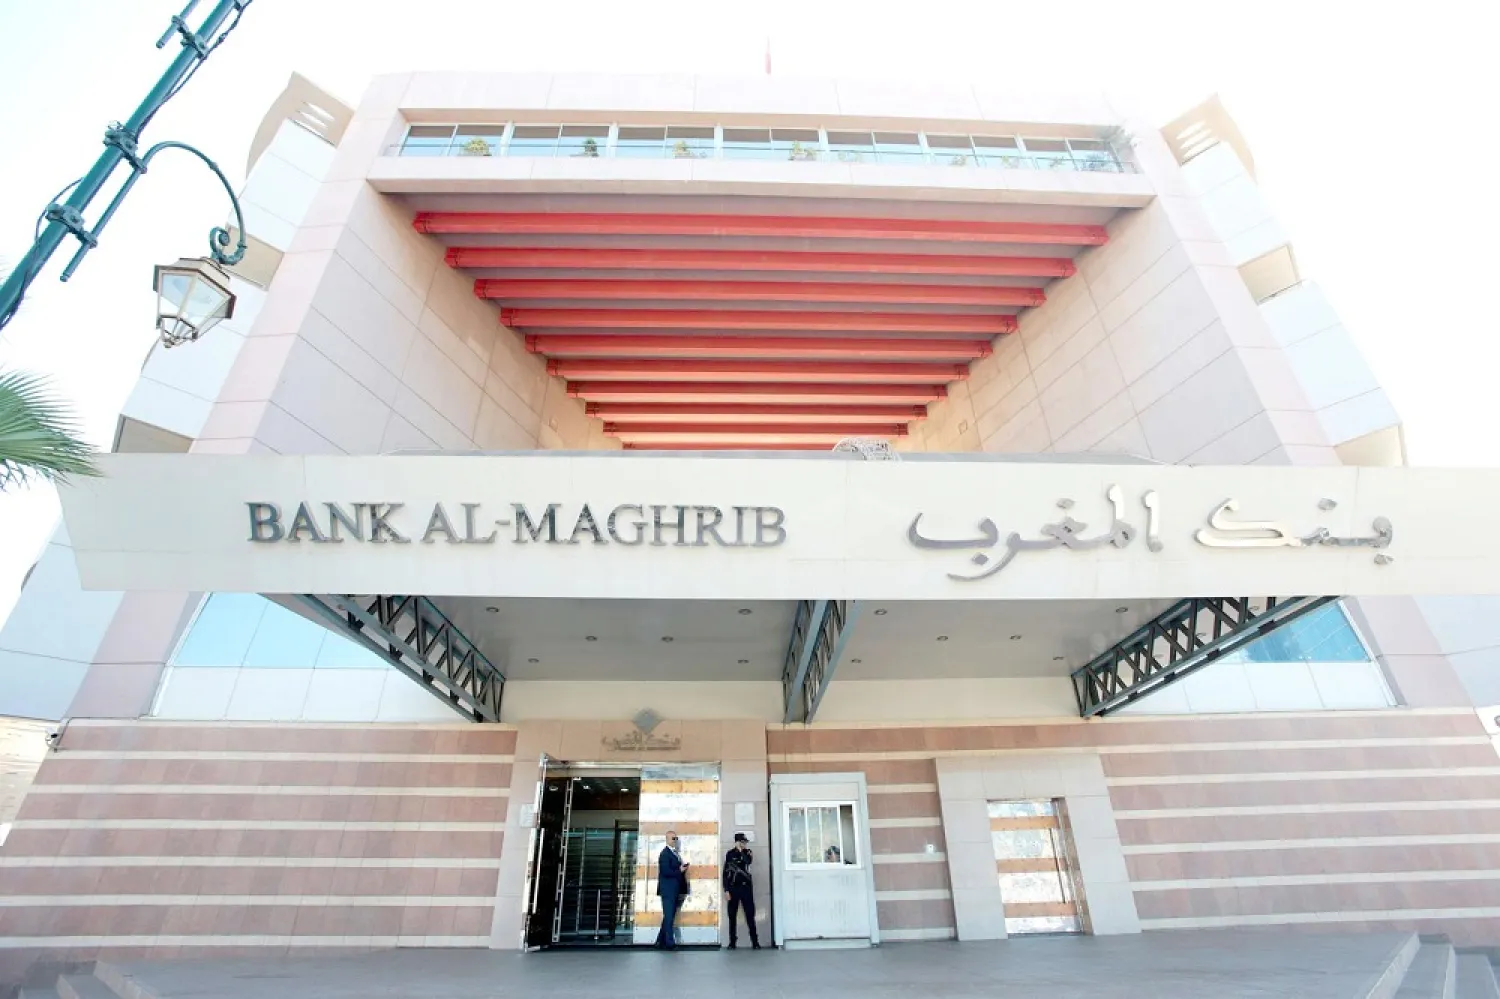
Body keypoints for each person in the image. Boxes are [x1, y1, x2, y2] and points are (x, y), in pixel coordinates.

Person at [722, 832, 761, 949]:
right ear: (737, 842)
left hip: (746, 888)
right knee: (732, 916)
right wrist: (726, 890)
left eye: (745, 842)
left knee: (750, 915)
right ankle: (732, 942)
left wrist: (740, 851)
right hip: (733, 888)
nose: (744, 844)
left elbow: (748, 862)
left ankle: (755, 942)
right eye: (742, 842)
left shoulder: (747, 853)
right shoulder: (729, 854)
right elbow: (725, 873)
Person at [655, 829, 690, 950]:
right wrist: (679, 870)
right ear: (667, 839)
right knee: (669, 917)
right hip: (668, 890)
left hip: (674, 890)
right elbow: (665, 871)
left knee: (668, 916)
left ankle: (660, 941)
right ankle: (670, 943)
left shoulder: (675, 853)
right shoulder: (665, 854)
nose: (675, 841)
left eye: (676, 838)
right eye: (672, 838)